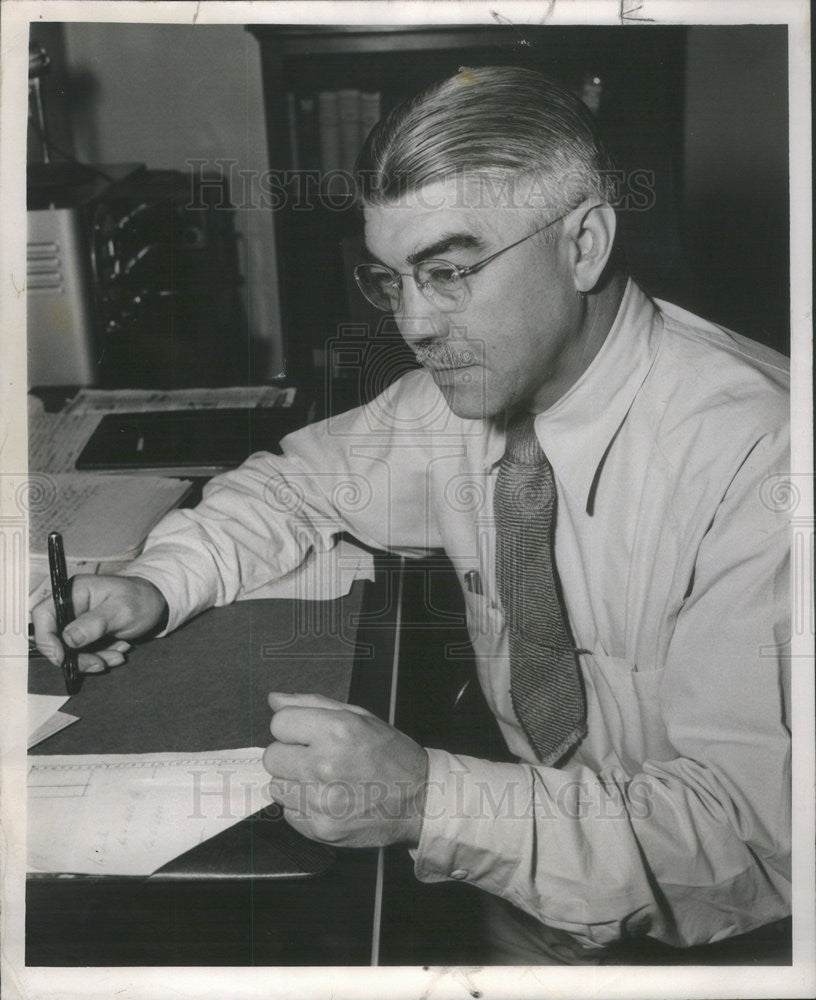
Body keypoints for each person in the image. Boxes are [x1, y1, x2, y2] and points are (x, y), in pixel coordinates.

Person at [34, 67, 790, 964]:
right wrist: (157, 583)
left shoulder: (764, 461)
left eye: (450, 271)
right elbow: (291, 484)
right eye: (392, 280)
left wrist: (427, 800)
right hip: (526, 887)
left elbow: (755, 844)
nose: (416, 325)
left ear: (584, 243)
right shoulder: (468, 390)